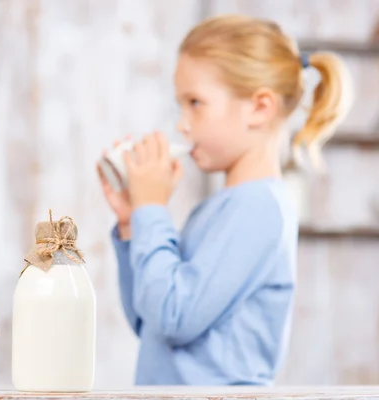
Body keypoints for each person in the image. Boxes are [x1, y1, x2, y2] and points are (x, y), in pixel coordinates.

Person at [98, 14, 353, 385]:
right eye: (180, 105)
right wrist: (131, 224)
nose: (182, 124)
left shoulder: (259, 208)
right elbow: (149, 321)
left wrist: (152, 208)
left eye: (195, 103)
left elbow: (173, 318)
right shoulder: (219, 209)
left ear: (259, 107)